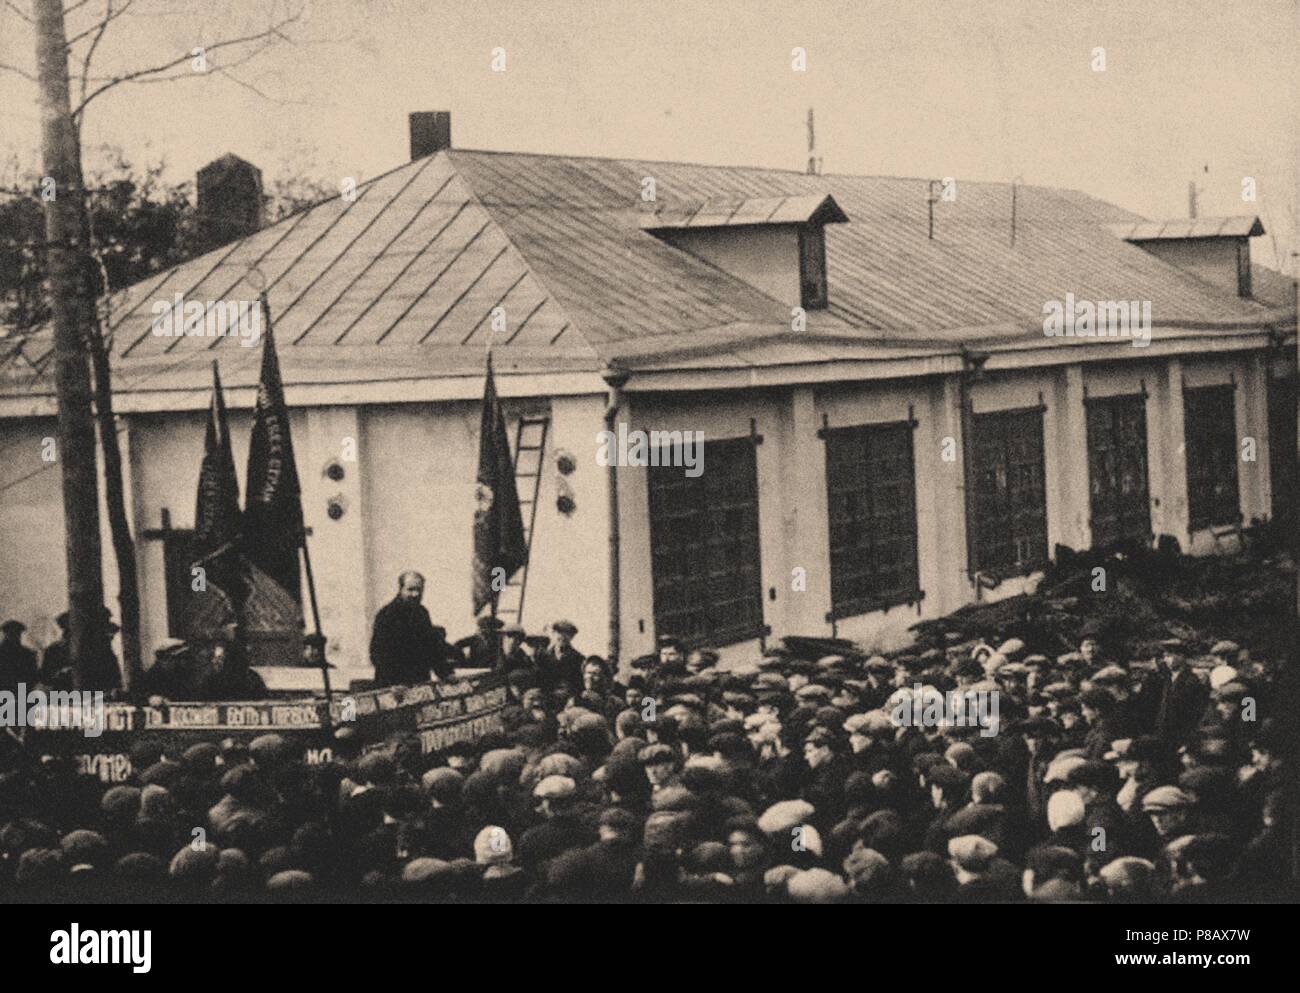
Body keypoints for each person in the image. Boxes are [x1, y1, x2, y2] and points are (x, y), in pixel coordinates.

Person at [369, 572, 454, 686]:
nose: (415, 594)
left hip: (419, 681)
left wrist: (445, 673)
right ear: (401, 589)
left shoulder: (422, 613)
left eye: (419, 590)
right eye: (410, 589)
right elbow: (378, 653)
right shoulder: (386, 615)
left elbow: (432, 648)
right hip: (393, 687)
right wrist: (393, 683)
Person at [534, 620, 583, 697]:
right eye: (559, 632)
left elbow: (579, 685)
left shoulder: (578, 659)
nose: (563, 637)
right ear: (553, 634)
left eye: (567, 633)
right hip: (545, 697)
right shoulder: (542, 656)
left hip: (567, 699)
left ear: (572, 637)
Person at [0, 620, 38, 693]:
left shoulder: (27, 654)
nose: (15, 636)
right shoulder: (27, 653)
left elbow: (33, 676)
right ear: (6, 634)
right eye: (11, 634)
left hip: (21, 692)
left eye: (16, 633)